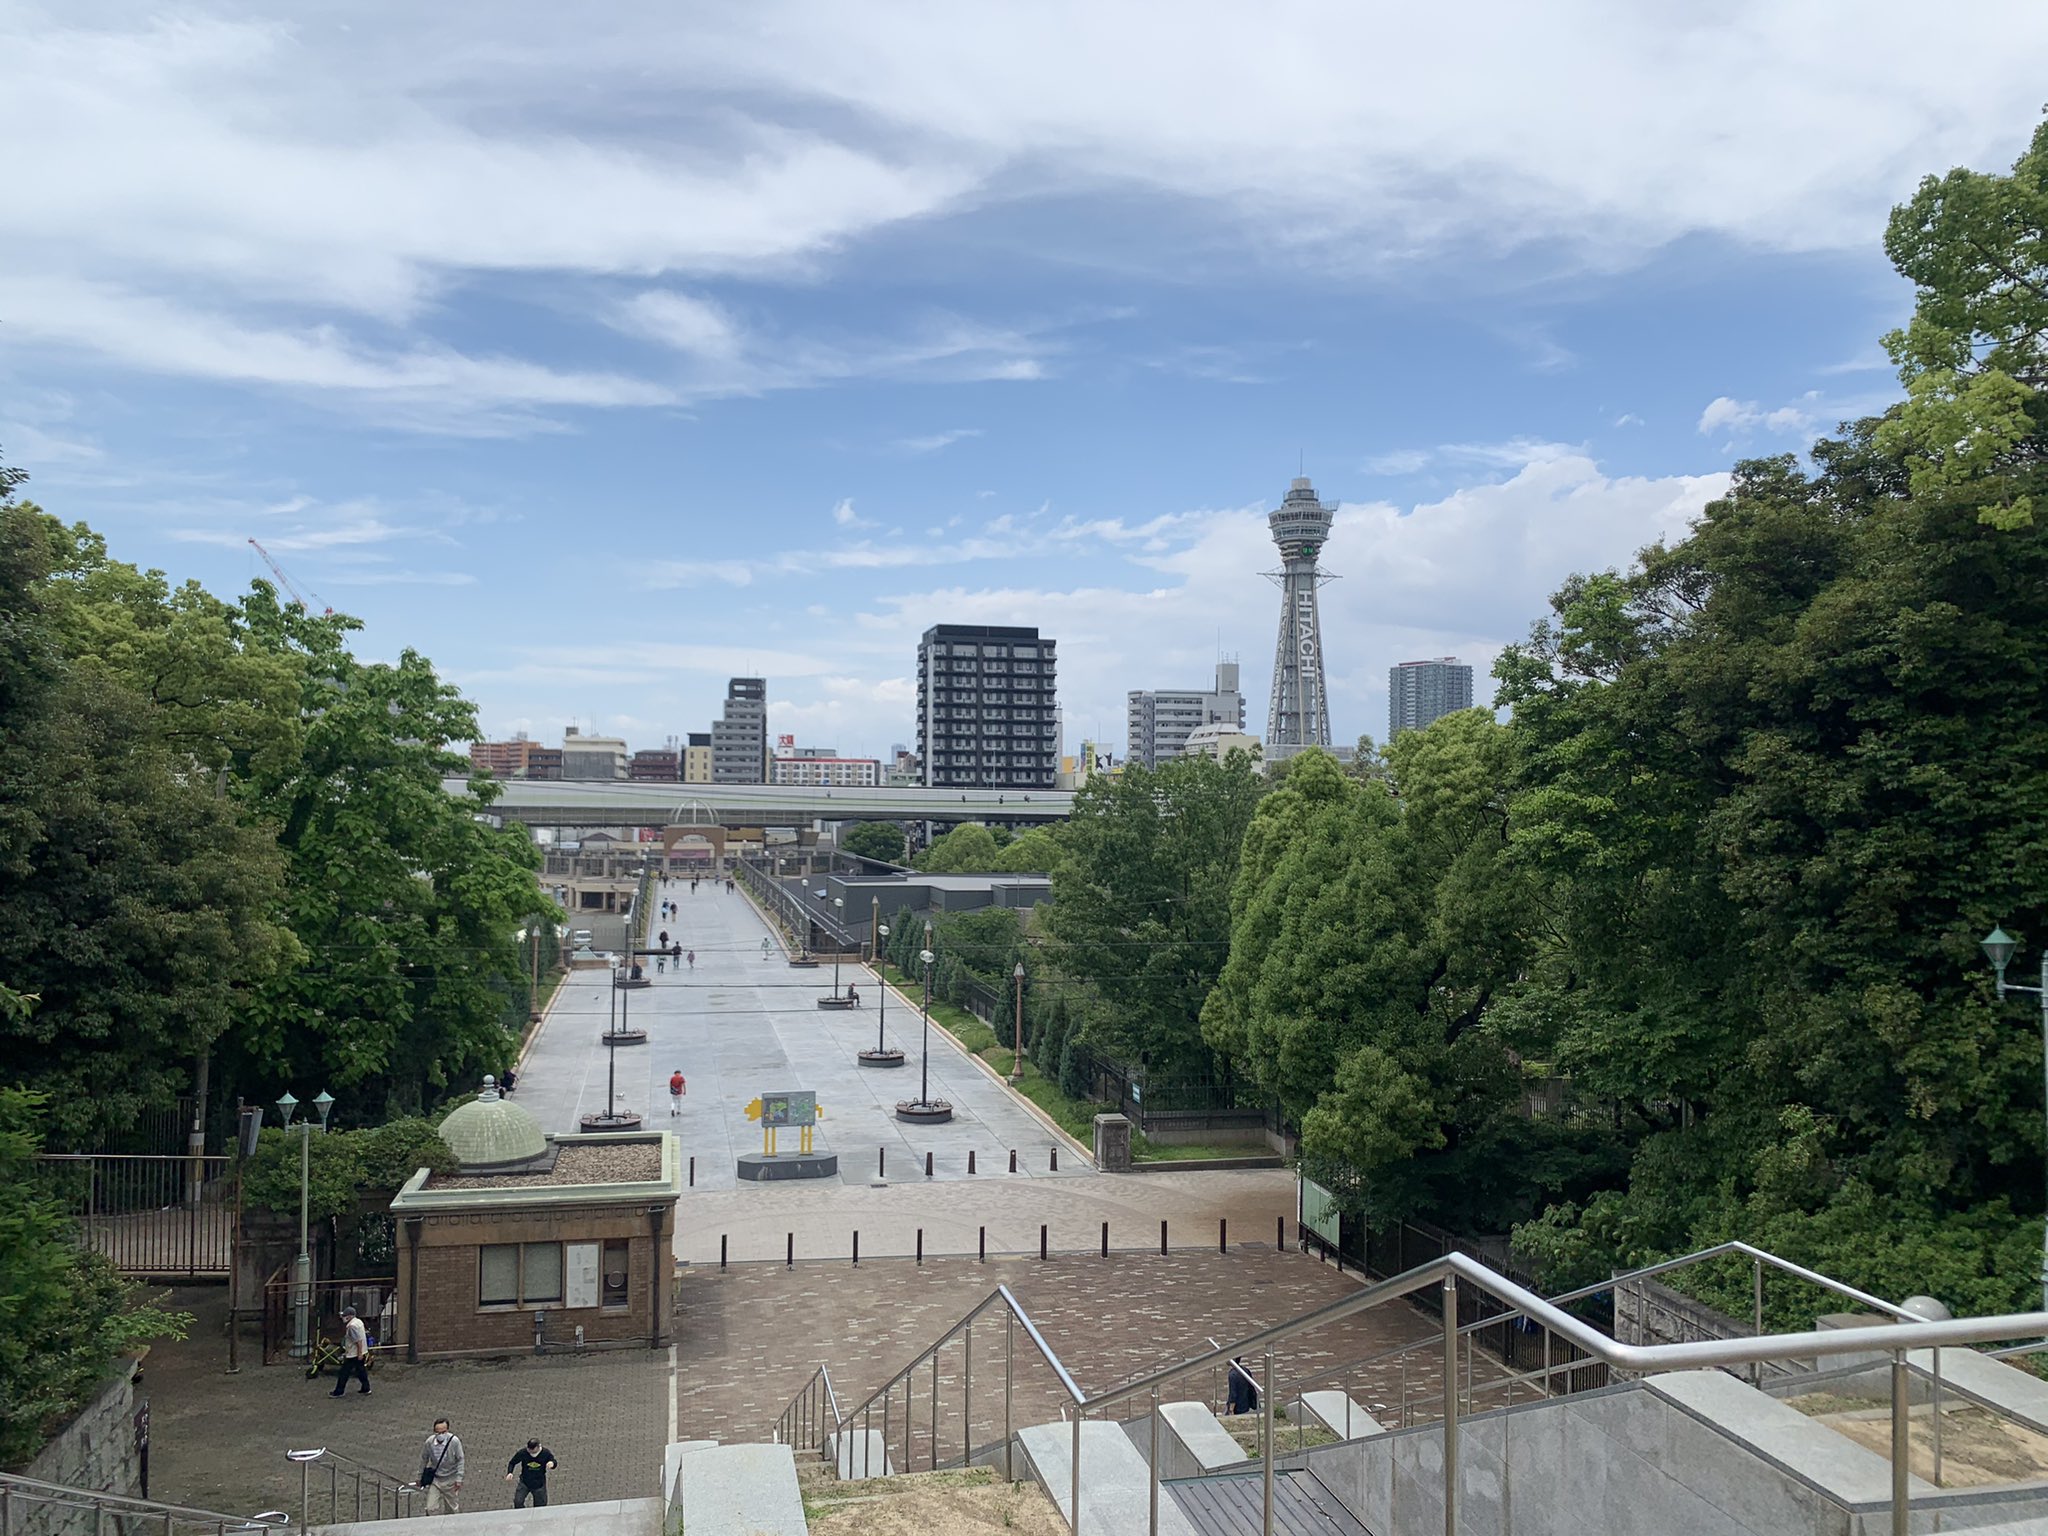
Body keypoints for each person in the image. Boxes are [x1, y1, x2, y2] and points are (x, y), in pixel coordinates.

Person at [419, 1418, 464, 1514]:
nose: (440, 1435)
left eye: (443, 1432)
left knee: (452, 1509)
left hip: (451, 1480)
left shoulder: (454, 1442)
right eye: (438, 1432)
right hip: (436, 1480)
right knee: (430, 1508)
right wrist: (420, 1476)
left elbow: (460, 1459)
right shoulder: (429, 1442)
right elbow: (424, 1459)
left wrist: (459, 1479)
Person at [329, 1306, 371, 1397]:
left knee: (344, 1373)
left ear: (350, 1316)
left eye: (345, 1315)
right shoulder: (359, 1322)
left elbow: (358, 1341)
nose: (343, 1317)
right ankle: (366, 1388)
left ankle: (339, 1391)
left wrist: (359, 1353)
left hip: (353, 1354)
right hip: (361, 1351)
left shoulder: (351, 1326)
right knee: (361, 1371)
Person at [504, 1439, 557, 1508]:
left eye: (533, 1450)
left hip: (539, 1484)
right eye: (529, 1449)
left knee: (540, 1506)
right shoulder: (523, 1452)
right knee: (518, 1501)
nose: (530, 1451)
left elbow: (554, 1461)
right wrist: (510, 1472)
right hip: (525, 1482)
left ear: (538, 1447)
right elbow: (512, 1462)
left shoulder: (545, 1453)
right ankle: (522, 1514)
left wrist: (552, 1464)